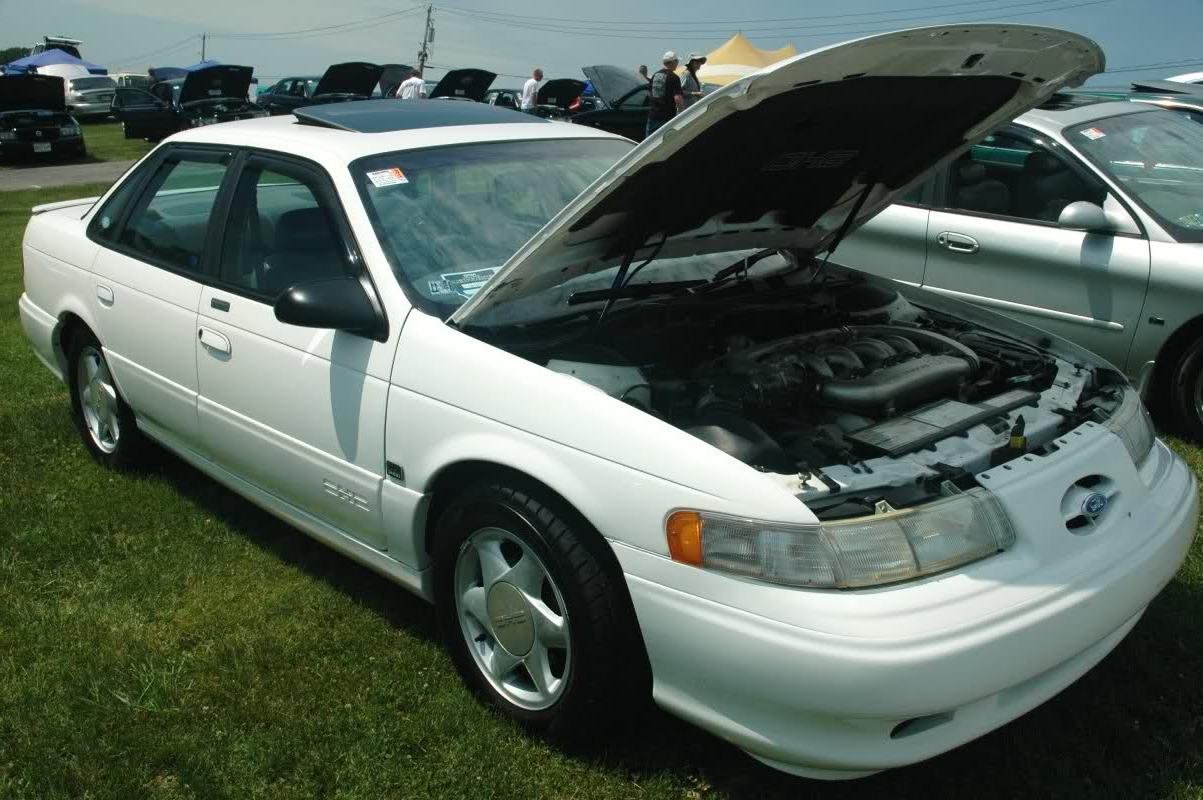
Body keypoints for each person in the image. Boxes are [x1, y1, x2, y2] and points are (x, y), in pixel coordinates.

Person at [646, 51, 684, 138]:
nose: (677, 64)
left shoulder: (655, 75)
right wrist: (682, 112)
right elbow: (677, 98)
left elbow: (649, 93)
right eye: (677, 61)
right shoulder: (674, 77)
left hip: (653, 116)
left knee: (650, 143)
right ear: (673, 62)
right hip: (667, 117)